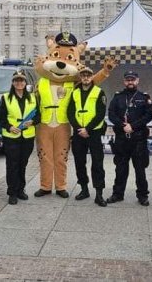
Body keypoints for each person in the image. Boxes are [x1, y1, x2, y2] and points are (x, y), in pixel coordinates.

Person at [106, 70, 152, 206]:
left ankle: (143, 195)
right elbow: (111, 114)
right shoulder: (118, 97)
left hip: (138, 139)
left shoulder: (144, 97)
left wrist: (132, 126)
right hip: (121, 139)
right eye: (128, 80)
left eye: (133, 80)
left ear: (137, 81)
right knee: (120, 169)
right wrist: (122, 125)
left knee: (140, 169)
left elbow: (148, 115)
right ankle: (118, 194)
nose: (130, 82)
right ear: (124, 81)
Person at [0, 70, 39, 205]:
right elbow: (0, 118)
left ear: (25, 83)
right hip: (11, 136)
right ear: (13, 82)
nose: (19, 83)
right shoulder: (6, 97)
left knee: (23, 164)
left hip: (27, 136)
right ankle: (12, 192)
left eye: (22, 80)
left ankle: (21, 189)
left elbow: (39, 115)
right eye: (16, 80)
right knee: (12, 165)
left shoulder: (32, 97)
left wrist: (32, 122)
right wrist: (9, 127)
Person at [67, 67, 107, 207]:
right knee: (79, 162)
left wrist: (87, 128)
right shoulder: (75, 93)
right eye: (83, 75)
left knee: (97, 163)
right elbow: (70, 112)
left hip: (93, 132)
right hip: (78, 133)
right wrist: (79, 128)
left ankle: (99, 194)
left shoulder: (99, 92)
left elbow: (101, 113)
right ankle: (84, 189)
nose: (85, 78)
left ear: (91, 77)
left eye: (88, 75)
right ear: (81, 78)